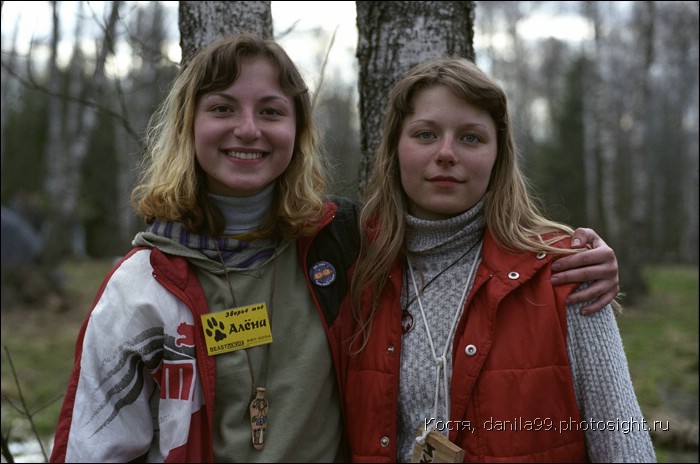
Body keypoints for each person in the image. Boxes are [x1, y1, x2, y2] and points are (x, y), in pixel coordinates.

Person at [48, 34, 620, 462]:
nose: (248, 129)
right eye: (222, 107)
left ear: (298, 133)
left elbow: (456, 240)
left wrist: (576, 254)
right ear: (186, 126)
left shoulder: (336, 244)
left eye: (271, 111)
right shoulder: (143, 287)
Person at [342, 58, 656, 462]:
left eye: (471, 138)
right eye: (425, 134)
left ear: (498, 155)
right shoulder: (359, 272)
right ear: (395, 148)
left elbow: (623, 441)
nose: (446, 153)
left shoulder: (564, 272)